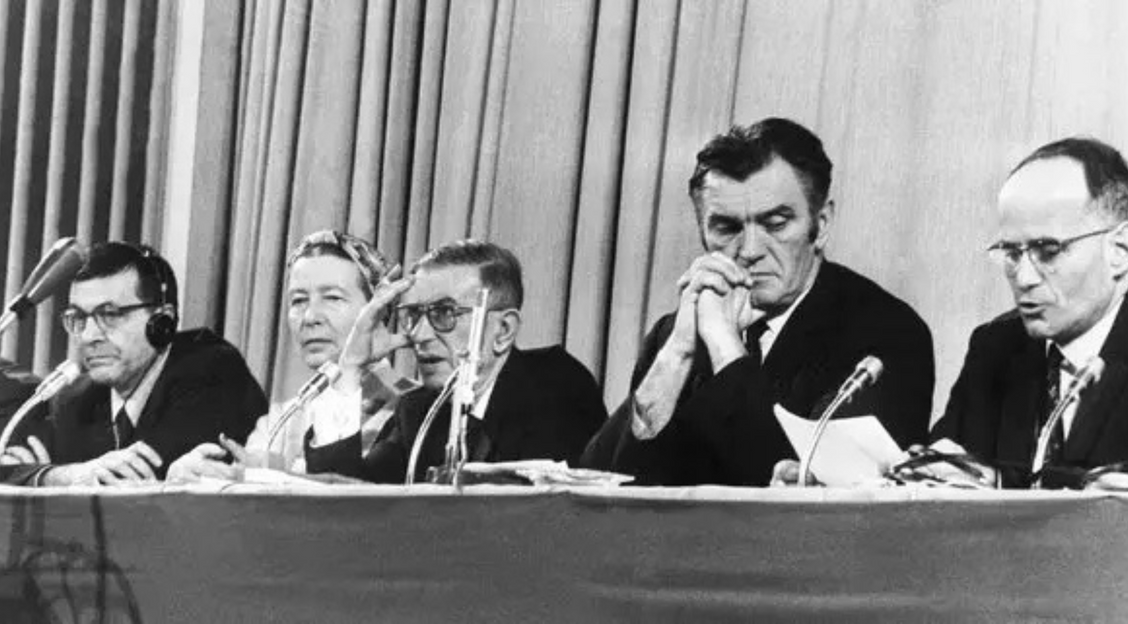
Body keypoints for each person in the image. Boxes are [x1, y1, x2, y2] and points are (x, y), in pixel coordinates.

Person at [580, 117, 935, 486]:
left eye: (776, 224)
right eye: (727, 228)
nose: (749, 251)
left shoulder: (888, 332)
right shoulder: (674, 335)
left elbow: (804, 491)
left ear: (822, 224)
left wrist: (725, 349)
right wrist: (679, 352)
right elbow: (597, 485)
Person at [304, 239, 609, 483]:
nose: (419, 335)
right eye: (413, 316)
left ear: (503, 330)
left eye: (444, 313)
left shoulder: (555, 384)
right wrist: (350, 367)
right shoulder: (417, 411)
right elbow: (346, 508)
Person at [930, 137, 1128, 489]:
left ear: (1120, 250)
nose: (1023, 277)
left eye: (1048, 251)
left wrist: (1000, 485)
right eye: (1011, 252)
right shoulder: (996, 347)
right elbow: (954, 465)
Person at [0, 242, 267, 486]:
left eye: (110, 314)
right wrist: (64, 474)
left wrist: (60, 474)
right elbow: (8, 469)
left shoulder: (211, 370)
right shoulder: (75, 399)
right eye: (78, 317)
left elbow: (137, 483)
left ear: (162, 321)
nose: (89, 336)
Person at [167, 231, 400, 482]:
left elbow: (345, 504)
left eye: (333, 298)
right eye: (298, 300)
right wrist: (193, 477)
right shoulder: (279, 420)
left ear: (379, 310)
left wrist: (259, 479)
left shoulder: (407, 410)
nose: (310, 317)